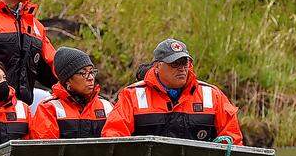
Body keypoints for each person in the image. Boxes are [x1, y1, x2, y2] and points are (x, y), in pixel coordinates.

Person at [102, 38, 243, 144]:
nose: (181, 68)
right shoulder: (132, 95)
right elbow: (114, 137)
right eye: (175, 63)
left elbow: (233, 140)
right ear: (157, 66)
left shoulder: (212, 96)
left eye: (185, 63)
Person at [28, 47, 112, 139]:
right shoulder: (49, 109)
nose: (90, 77)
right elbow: (46, 150)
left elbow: (116, 146)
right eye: (83, 73)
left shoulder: (106, 107)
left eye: (91, 72)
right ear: (67, 81)